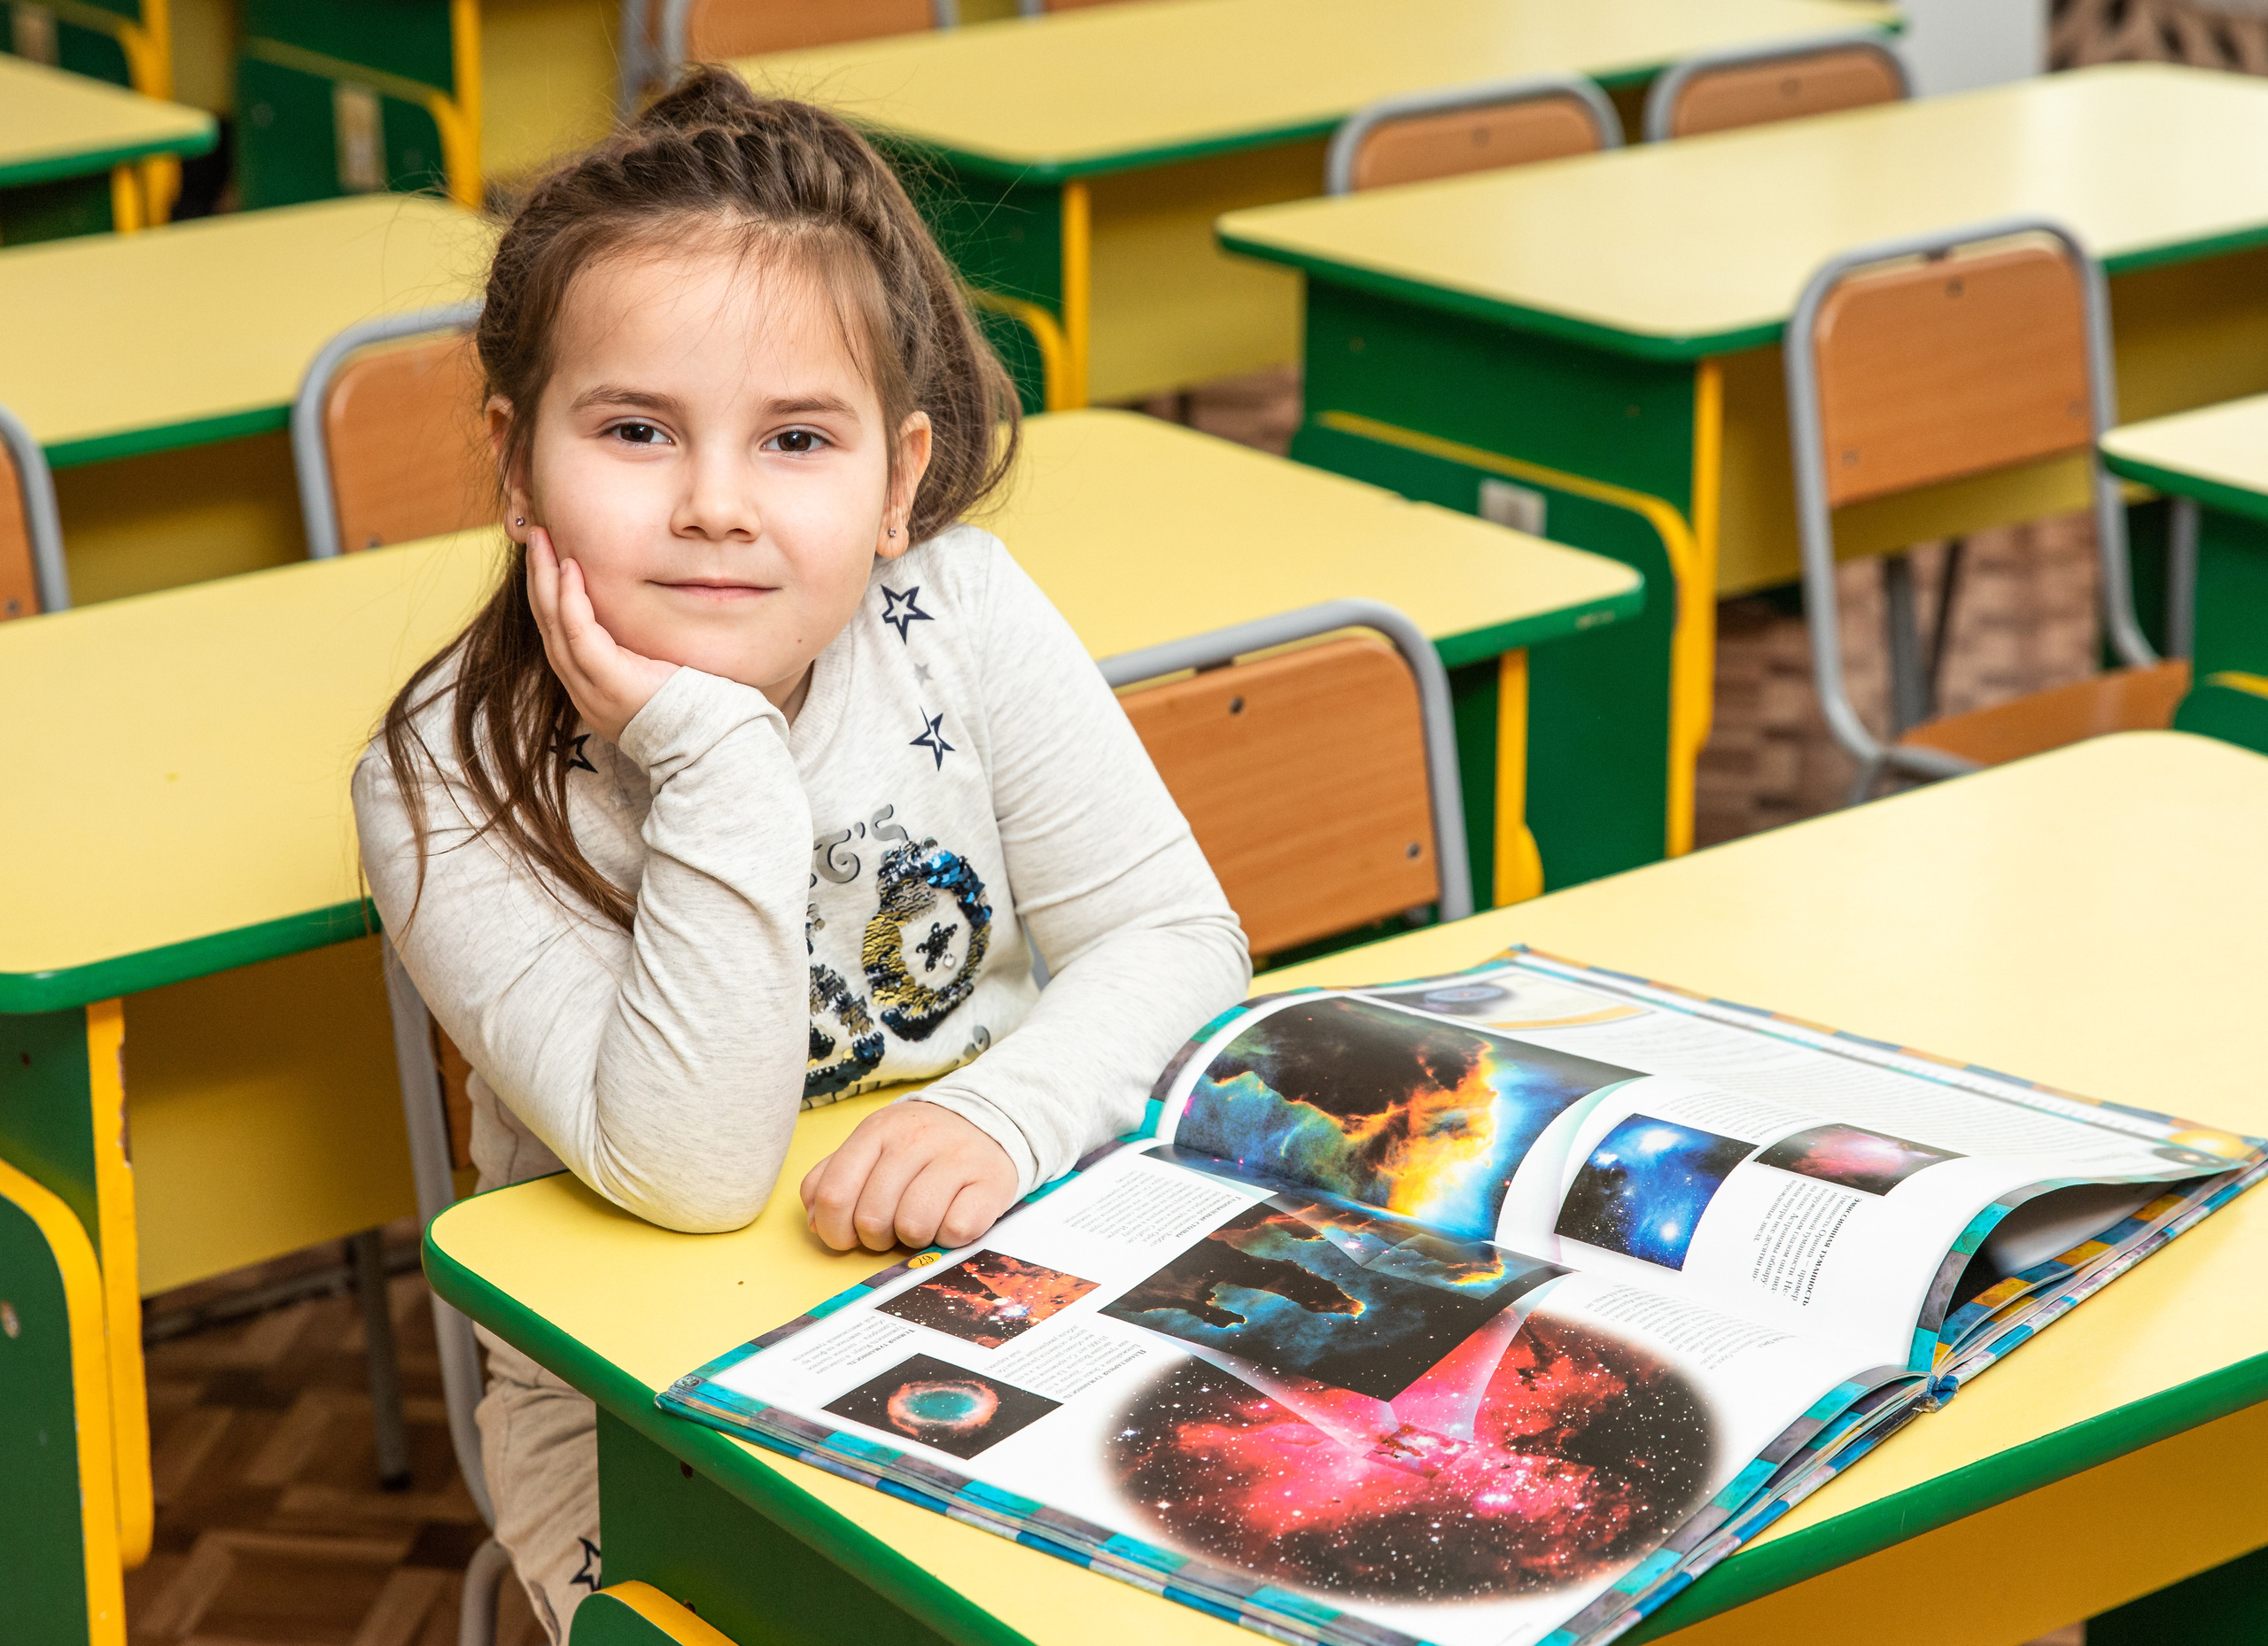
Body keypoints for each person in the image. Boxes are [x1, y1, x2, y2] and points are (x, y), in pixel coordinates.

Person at [353, 67, 1249, 1638]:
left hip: (1022, 1276)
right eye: (636, 429)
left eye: (796, 440)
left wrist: (1003, 1108)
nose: (714, 506)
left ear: (899, 481)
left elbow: (1177, 935)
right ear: (513, 460)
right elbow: (689, 1175)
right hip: (640, 1409)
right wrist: (710, 755)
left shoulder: (957, 614)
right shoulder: (444, 778)